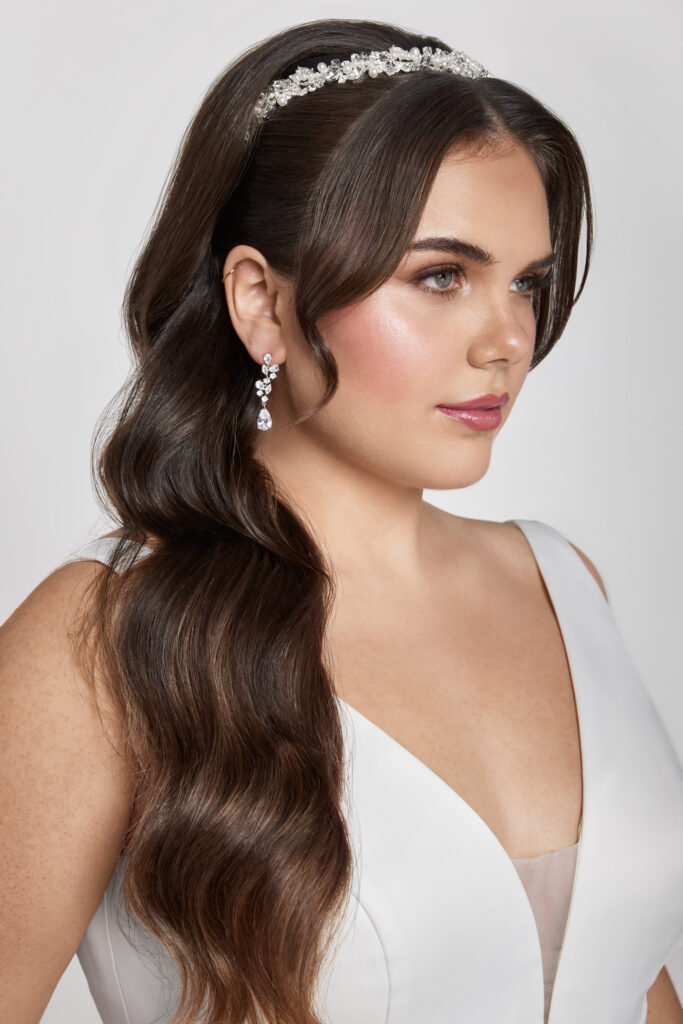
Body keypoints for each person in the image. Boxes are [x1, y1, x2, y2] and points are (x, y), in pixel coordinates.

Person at [2, 16, 682, 1024]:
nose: (505, 341)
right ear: (262, 305)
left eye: (526, 284)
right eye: (439, 276)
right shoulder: (102, 639)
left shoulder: (560, 580)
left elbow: (630, 982)